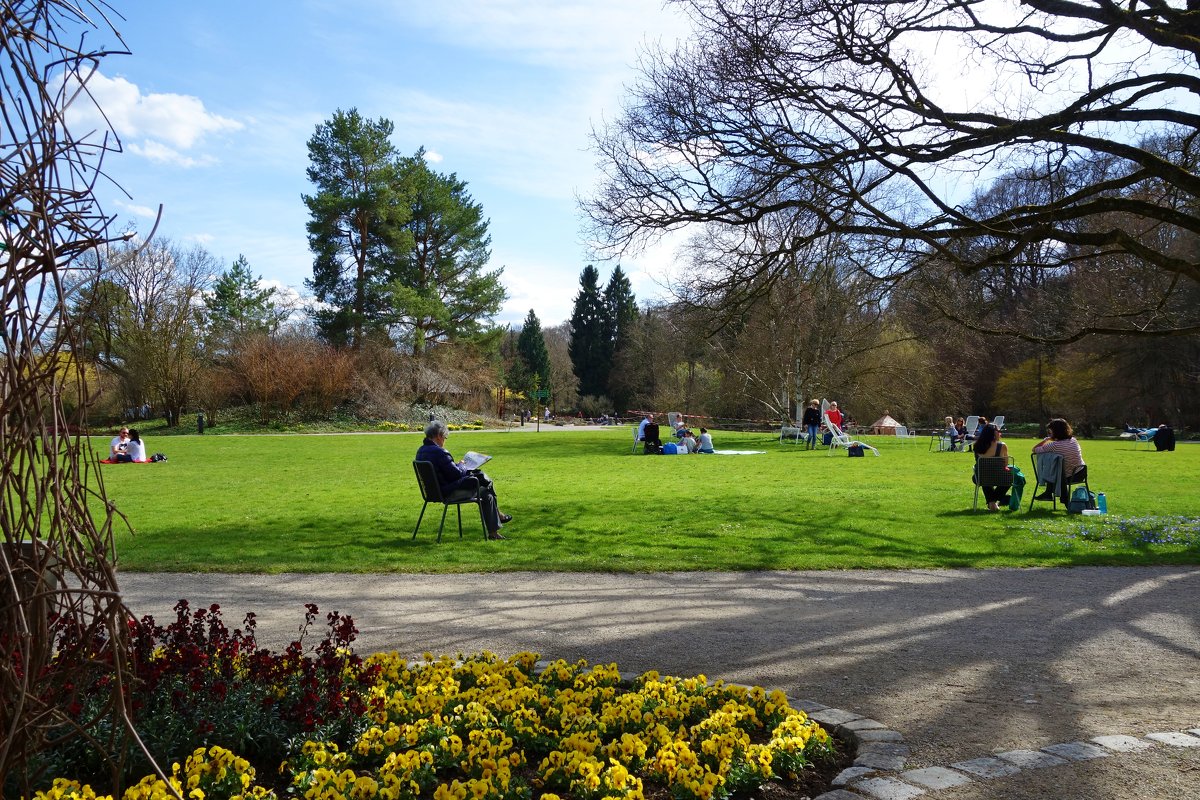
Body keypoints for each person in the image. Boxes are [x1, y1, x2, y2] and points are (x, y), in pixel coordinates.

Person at [416, 419, 510, 540]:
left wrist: (457, 465)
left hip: (432, 493)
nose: (444, 440)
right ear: (439, 436)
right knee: (486, 489)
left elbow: (446, 470)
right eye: (445, 437)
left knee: (484, 488)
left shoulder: (421, 451)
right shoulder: (441, 453)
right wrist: (462, 464)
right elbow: (456, 475)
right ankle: (495, 529)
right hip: (448, 493)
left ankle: (496, 523)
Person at [1032, 418, 1087, 502]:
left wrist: (1046, 440)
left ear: (1055, 431)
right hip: (1081, 472)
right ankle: (1048, 493)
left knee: (1052, 466)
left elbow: (1035, 449)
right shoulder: (1073, 440)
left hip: (1068, 477)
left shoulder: (1055, 445)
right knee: (1055, 465)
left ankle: (1048, 493)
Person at [972, 423, 1009, 512]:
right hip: (999, 477)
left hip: (980, 477)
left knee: (986, 478)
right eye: (998, 431)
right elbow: (1006, 463)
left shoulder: (976, 445)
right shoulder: (1002, 446)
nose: (1000, 433)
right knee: (1009, 479)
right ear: (995, 433)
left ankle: (991, 503)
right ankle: (993, 502)